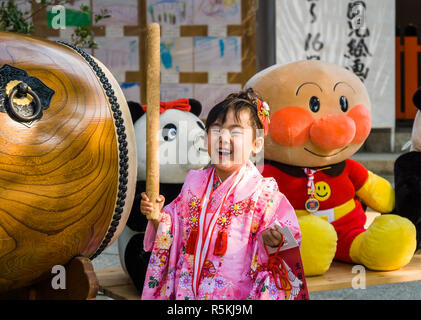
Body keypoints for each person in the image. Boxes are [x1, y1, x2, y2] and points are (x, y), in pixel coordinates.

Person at [140, 88, 302, 300]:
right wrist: (158, 217)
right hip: (188, 288)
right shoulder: (193, 182)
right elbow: (174, 225)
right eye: (216, 130)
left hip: (236, 295)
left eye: (235, 132)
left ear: (256, 144)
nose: (223, 138)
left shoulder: (263, 193)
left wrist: (276, 238)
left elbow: (288, 234)